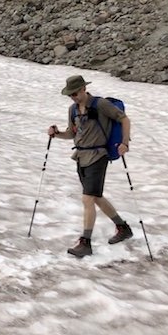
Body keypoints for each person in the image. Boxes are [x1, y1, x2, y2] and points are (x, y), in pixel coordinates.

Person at [47, 75, 133, 257]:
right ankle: (123, 227)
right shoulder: (73, 110)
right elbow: (72, 133)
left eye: (75, 93)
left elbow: (124, 120)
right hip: (81, 156)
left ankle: (85, 242)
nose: (73, 97)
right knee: (96, 197)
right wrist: (57, 134)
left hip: (98, 156)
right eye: (70, 95)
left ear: (84, 89)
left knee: (87, 199)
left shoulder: (100, 104)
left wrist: (125, 143)